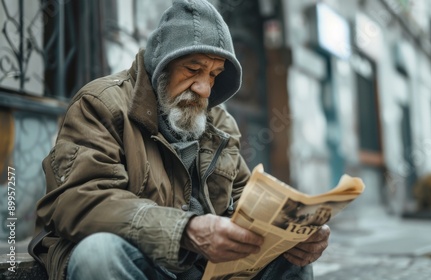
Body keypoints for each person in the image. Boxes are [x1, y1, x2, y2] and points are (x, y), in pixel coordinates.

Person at [28, 0, 330, 279]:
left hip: (202, 269)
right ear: (162, 64)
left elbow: (242, 202)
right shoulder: (101, 104)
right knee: (98, 254)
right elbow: (80, 201)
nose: (204, 88)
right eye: (193, 69)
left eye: (214, 74)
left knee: (291, 259)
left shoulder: (220, 122)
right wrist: (184, 230)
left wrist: (292, 234)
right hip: (141, 262)